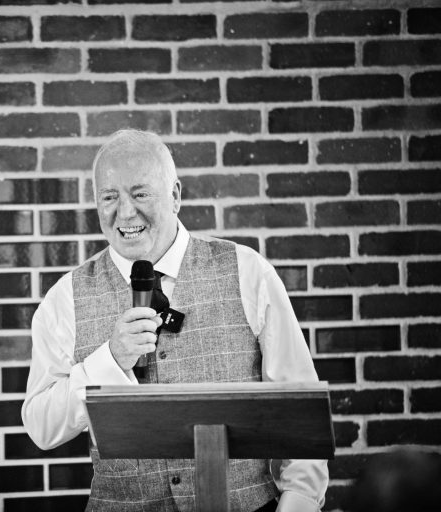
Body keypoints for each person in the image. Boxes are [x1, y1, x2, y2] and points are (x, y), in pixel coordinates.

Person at [21, 129, 328, 512]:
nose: (125, 212)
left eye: (141, 193)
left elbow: (299, 411)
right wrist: (109, 361)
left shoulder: (248, 271)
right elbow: (41, 427)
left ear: (176, 195)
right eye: (109, 196)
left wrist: (298, 503)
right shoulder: (63, 298)